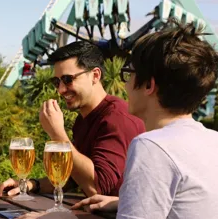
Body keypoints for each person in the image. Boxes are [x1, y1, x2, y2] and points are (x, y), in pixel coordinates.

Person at [72, 22, 218, 218]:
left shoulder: (152, 146)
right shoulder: (212, 140)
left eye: (129, 74)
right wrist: (126, 201)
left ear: (149, 85)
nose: (125, 85)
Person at [0, 41, 145, 198]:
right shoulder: (84, 119)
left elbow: (98, 189)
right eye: (56, 82)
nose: (60, 90)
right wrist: (31, 184)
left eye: (68, 79)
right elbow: (75, 177)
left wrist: (57, 133)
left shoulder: (117, 118)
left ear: (95, 75)